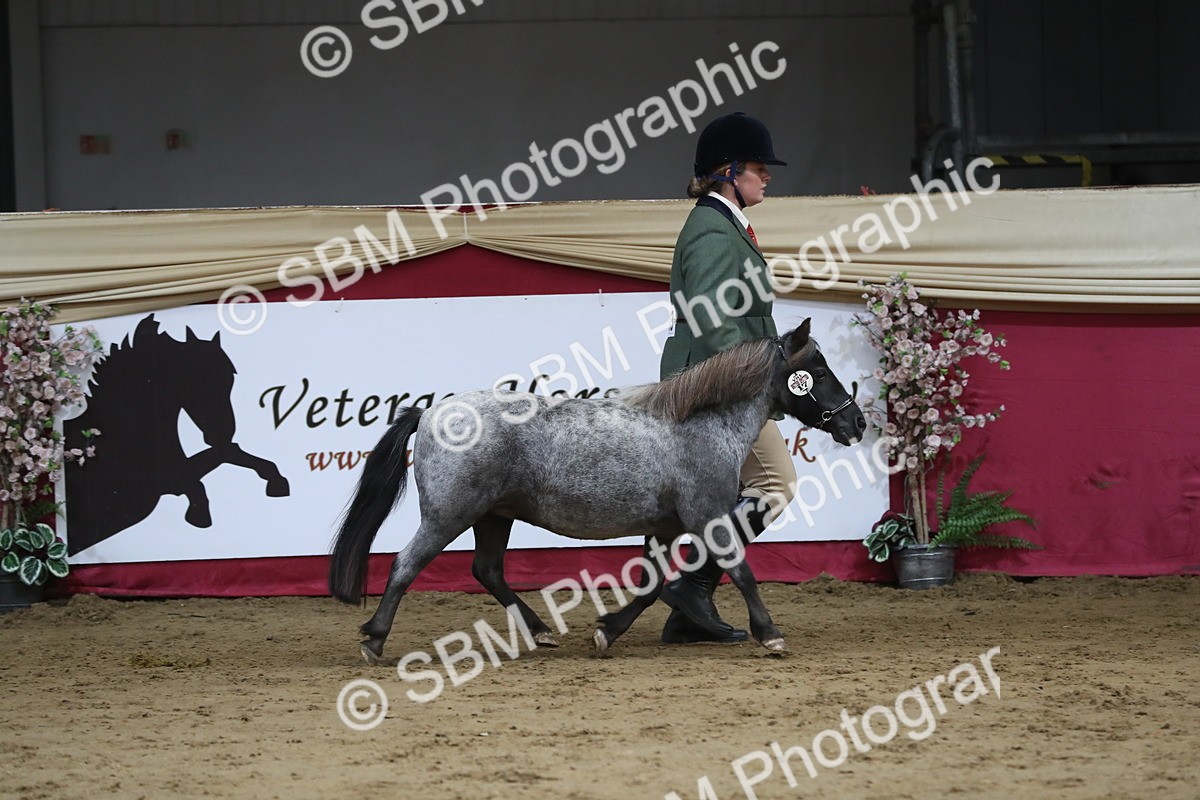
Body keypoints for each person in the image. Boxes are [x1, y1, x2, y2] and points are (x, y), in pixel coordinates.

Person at [657, 111, 798, 644]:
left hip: (723, 386)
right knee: (774, 485)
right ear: (729, 171)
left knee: (725, 496)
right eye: (760, 167)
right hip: (721, 389)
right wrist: (755, 388)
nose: (768, 176)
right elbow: (716, 324)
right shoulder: (713, 232)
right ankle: (693, 583)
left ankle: (687, 613)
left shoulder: (722, 226)